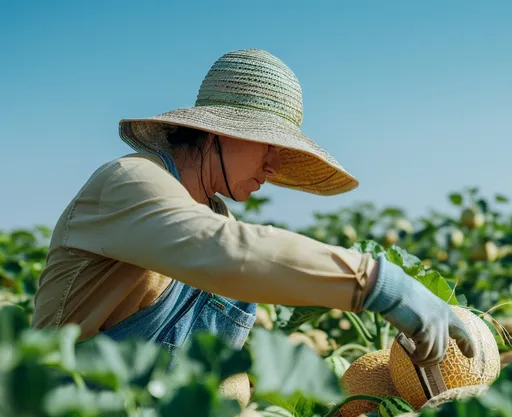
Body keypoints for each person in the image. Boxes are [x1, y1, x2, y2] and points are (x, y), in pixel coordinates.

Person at [31, 48, 475, 368]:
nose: (274, 163)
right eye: (269, 143)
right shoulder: (129, 181)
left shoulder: (218, 216)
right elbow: (227, 252)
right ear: (214, 133)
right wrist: (380, 285)